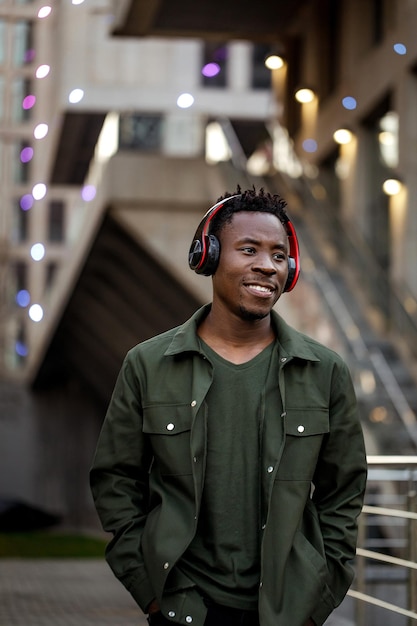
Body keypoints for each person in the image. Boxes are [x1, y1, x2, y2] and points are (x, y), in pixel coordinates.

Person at [90, 187, 367, 626]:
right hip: (183, 607)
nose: (267, 265)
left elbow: (344, 492)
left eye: (279, 255)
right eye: (249, 249)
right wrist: (150, 592)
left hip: (289, 611)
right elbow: (116, 480)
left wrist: (320, 595)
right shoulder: (147, 364)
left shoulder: (325, 371)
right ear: (209, 254)